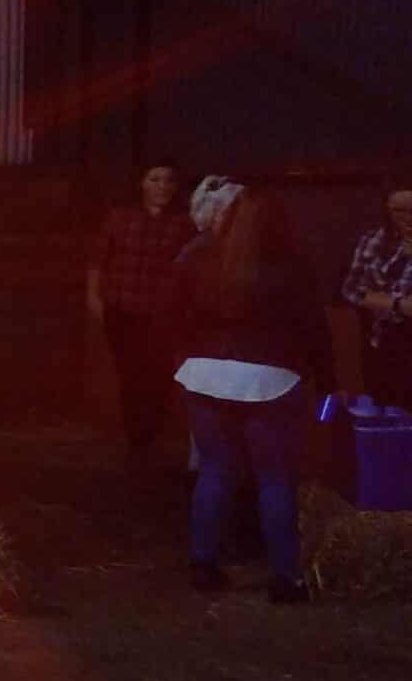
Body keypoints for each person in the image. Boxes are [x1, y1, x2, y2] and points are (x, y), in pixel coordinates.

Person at [173, 177, 330, 602]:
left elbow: (172, 314)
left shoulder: (195, 254)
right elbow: (314, 330)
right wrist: (327, 387)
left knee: (214, 470)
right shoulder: (291, 264)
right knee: (275, 480)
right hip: (269, 380)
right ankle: (285, 578)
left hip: (204, 376)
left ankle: (203, 564)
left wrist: (183, 364)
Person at [88, 160, 188, 468]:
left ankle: (150, 435)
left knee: (158, 375)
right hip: (123, 308)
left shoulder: (184, 223)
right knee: (130, 374)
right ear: (142, 184)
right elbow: (98, 260)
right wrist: (95, 299)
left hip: (162, 312)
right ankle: (137, 440)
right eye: (155, 179)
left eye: (168, 180)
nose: (162, 186)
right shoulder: (120, 218)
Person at [338, 176, 412, 410]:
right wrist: (396, 304)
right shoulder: (374, 240)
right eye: (400, 210)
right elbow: (350, 290)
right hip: (383, 342)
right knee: (387, 411)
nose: (408, 218)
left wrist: (375, 298)